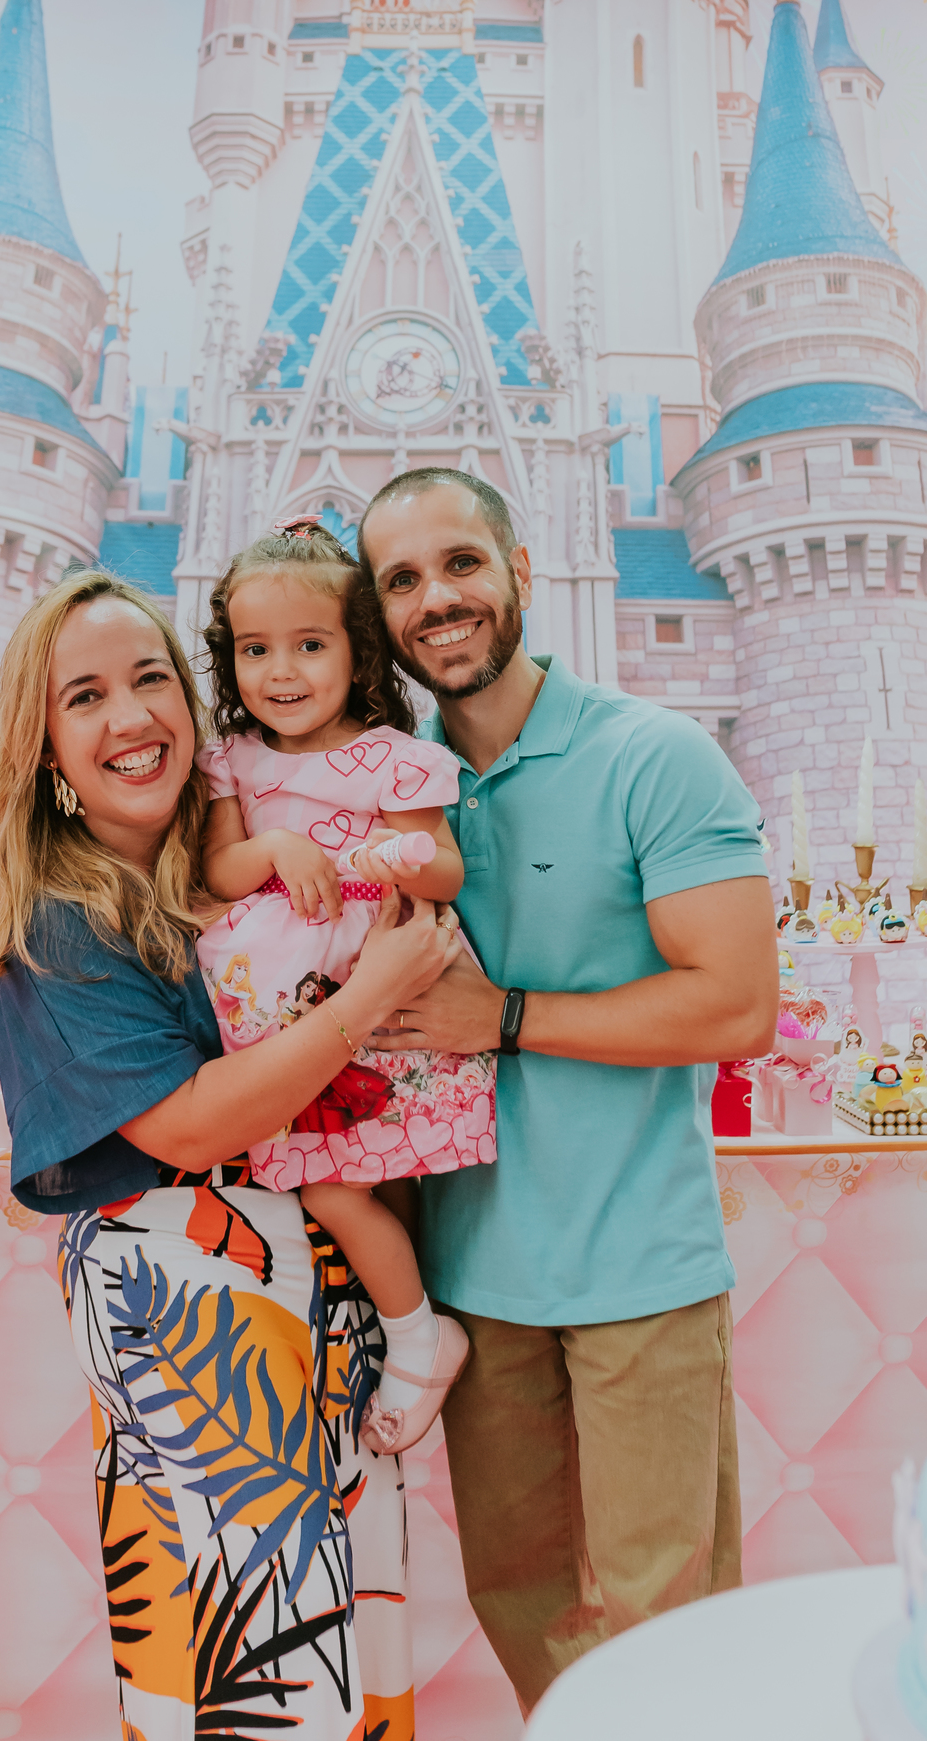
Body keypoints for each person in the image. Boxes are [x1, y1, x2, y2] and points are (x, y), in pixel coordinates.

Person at [0, 566, 457, 1741]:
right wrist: (365, 999)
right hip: (193, 1312)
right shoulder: (62, 914)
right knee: (255, 1658)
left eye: (149, 680)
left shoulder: (220, 873)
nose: (130, 717)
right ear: (42, 745)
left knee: (338, 1628)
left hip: (315, 1294)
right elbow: (187, 1125)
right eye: (84, 697)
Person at [357, 466, 778, 1710]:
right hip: (475, 1287)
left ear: (519, 571)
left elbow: (737, 1004)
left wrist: (509, 1017)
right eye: (403, 580)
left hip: (639, 1271)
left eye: (461, 563)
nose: (439, 598)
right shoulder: (392, 799)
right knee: (525, 1606)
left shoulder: (654, 756)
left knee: (670, 1632)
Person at [197, 515, 494, 1453]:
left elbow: (446, 870)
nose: (280, 670)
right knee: (314, 1194)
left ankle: (415, 1338)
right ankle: (395, 1336)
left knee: (352, 1192)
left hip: (385, 999)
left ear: (358, 651)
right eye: (256, 648)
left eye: (309, 644)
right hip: (285, 1013)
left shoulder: (396, 759)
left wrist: (392, 850)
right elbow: (216, 873)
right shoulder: (232, 761)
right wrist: (278, 847)